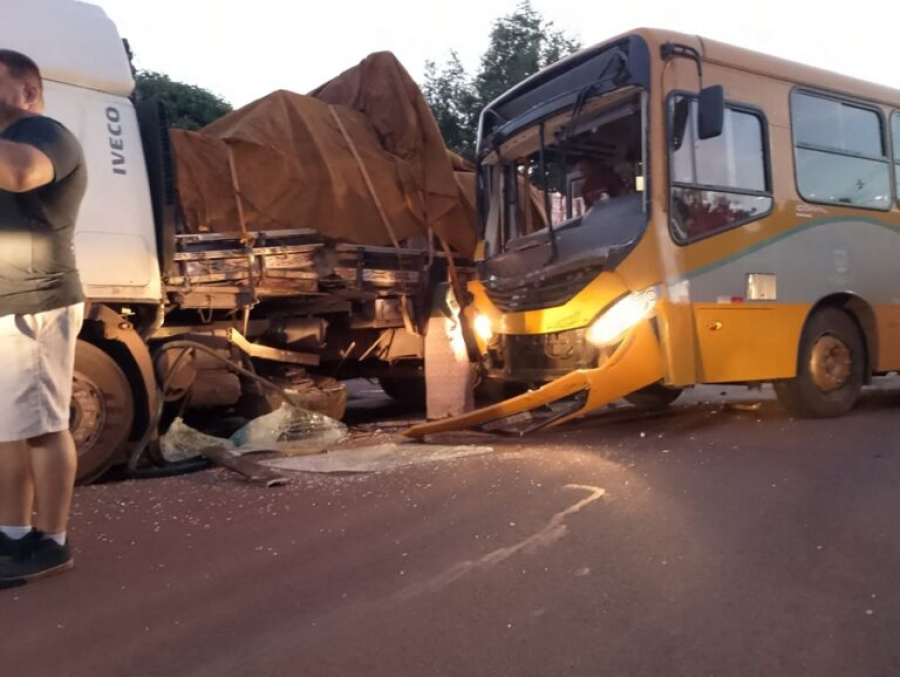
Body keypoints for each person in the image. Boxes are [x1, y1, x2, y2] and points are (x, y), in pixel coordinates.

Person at [0, 50, 87, 587]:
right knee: (8, 431)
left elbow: (21, 172)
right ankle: (11, 533)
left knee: (43, 429)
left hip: (37, 304)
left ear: (28, 92)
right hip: (5, 303)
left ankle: (51, 541)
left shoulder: (47, 135)